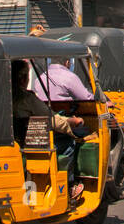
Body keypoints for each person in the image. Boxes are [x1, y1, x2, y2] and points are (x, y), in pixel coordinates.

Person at [12, 60, 87, 201]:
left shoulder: (2, 97)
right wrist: (72, 122)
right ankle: (69, 186)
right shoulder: (27, 98)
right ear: (23, 78)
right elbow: (52, 120)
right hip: (30, 146)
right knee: (69, 142)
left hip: (14, 143)